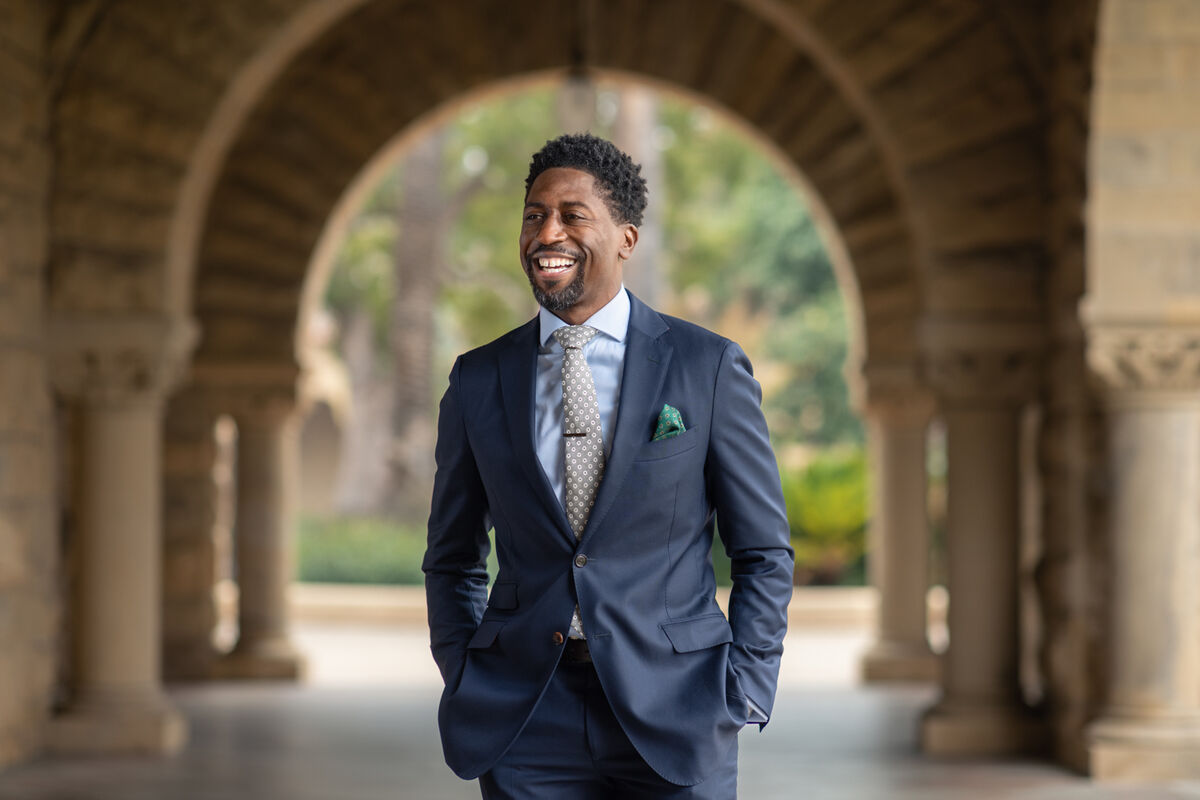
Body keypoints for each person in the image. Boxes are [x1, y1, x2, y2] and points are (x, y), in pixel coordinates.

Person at [423, 133, 794, 798]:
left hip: (678, 709)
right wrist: (463, 669)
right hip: (526, 718)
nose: (547, 233)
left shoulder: (704, 366)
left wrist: (745, 691)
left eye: (572, 214)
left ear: (626, 237)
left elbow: (763, 550)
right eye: (534, 214)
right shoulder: (478, 379)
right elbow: (452, 555)